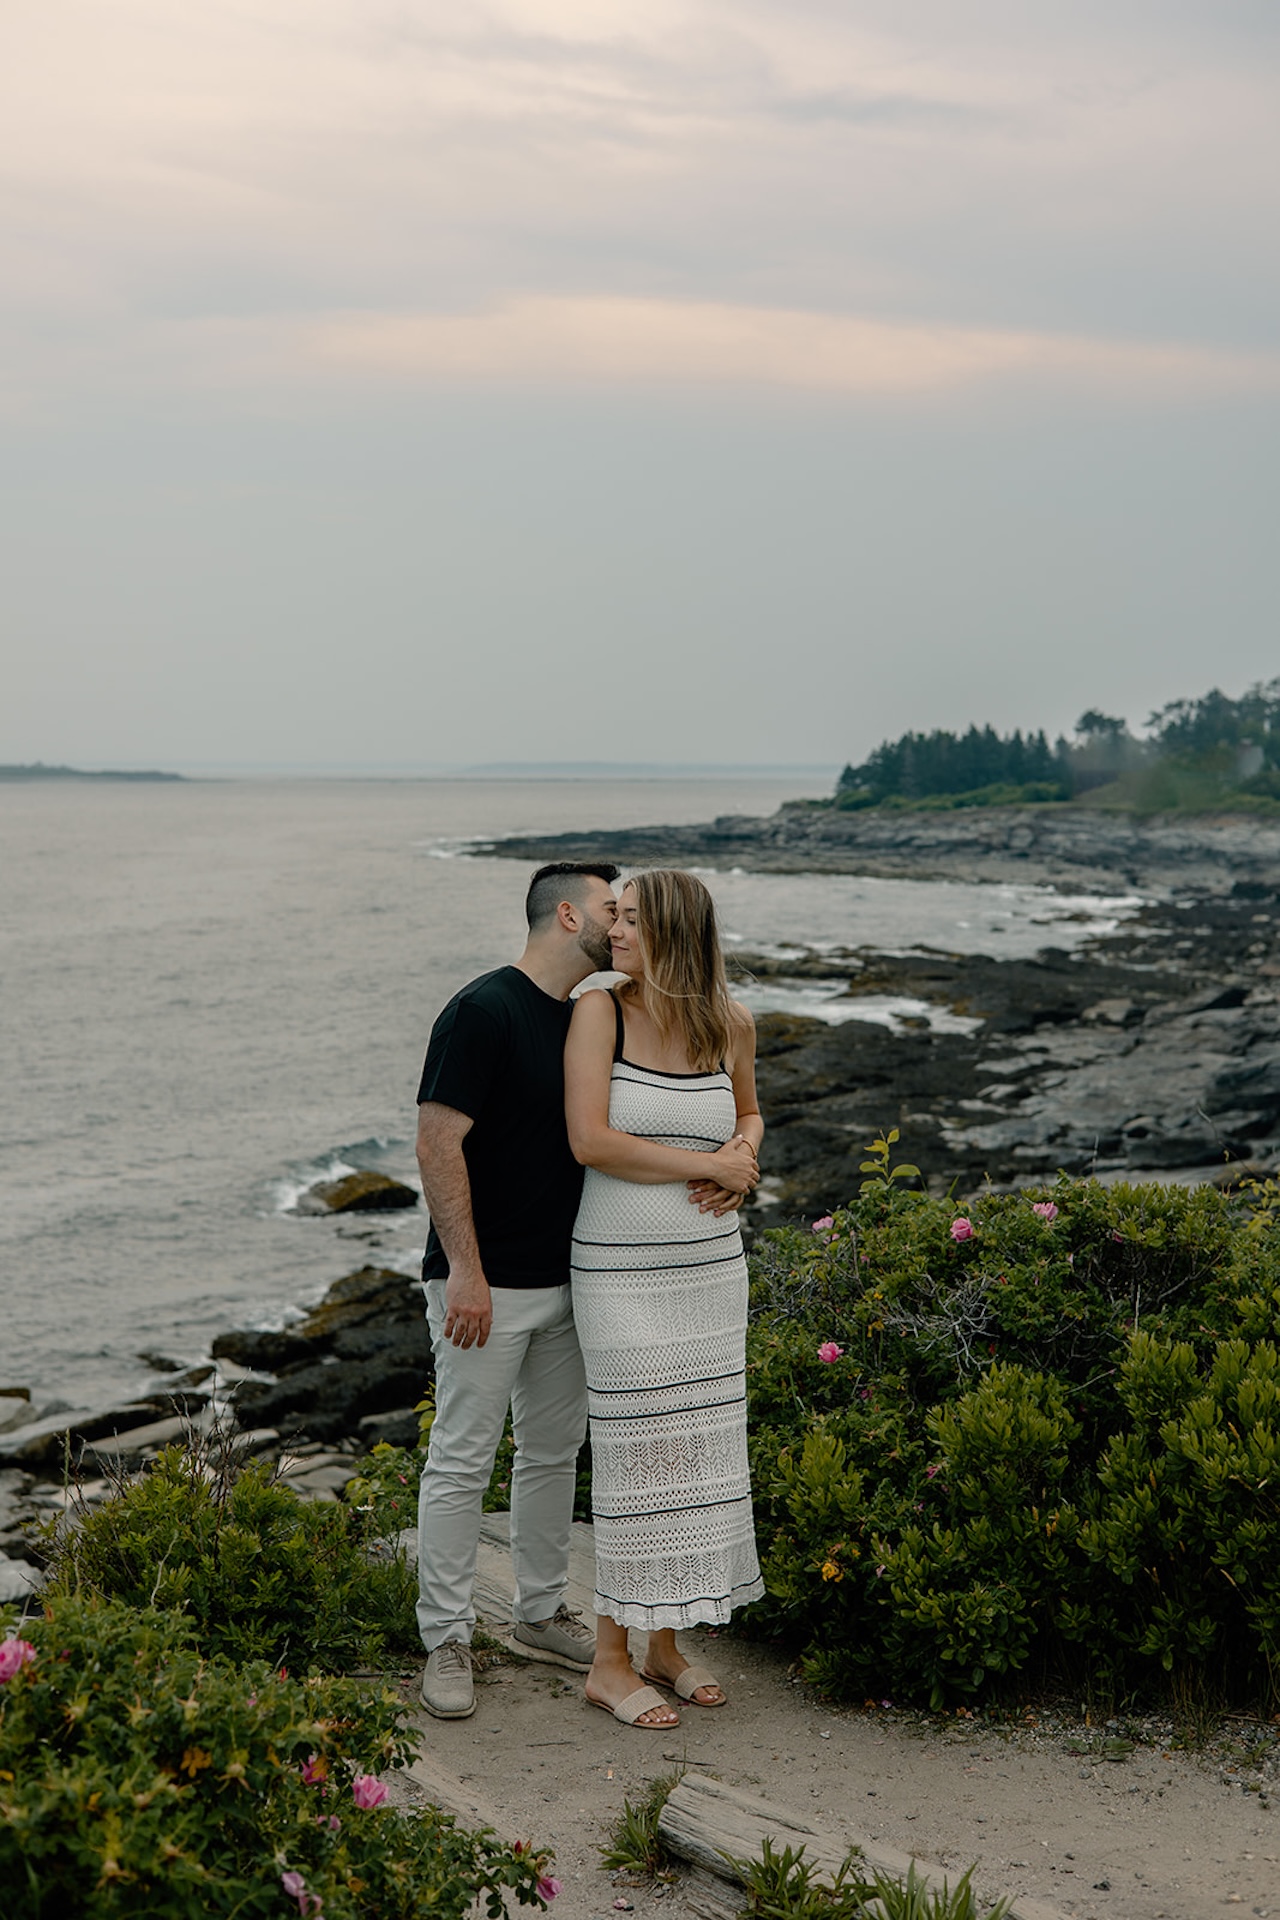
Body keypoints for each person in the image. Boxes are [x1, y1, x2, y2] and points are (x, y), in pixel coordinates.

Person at [414, 860, 620, 1719]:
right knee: (463, 1460)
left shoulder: (587, 1016)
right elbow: (436, 1142)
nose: (626, 919)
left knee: (549, 1455)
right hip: (483, 1288)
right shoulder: (483, 1010)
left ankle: (537, 1611)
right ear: (568, 915)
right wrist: (466, 1271)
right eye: (615, 907)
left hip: (568, 1283)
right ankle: (447, 1638)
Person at [564, 868, 766, 1729]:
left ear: (677, 930)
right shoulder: (600, 1006)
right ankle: (609, 1664)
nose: (616, 931)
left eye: (634, 921)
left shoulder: (731, 1022)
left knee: (692, 1453)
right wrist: (710, 1165)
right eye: (616, 917)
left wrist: (743, 1162)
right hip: (620, 1268)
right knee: (636, 1458)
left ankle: (666, 1647)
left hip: (710, 1270)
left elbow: (751, 1116)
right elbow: (591, 1140)